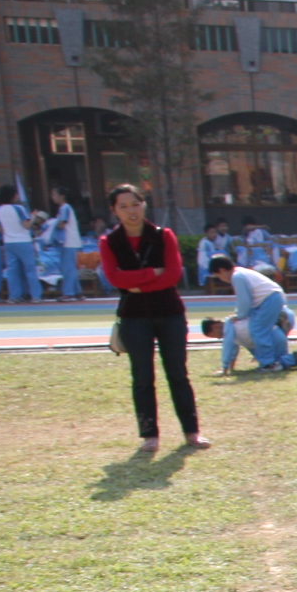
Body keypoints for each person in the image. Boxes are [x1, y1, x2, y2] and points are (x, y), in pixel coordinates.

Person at [99, 183, 208, 450]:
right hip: (134, 317)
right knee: (142, 376)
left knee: (178, 373)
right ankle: (150, 435)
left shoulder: (164, 235)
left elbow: (172, 274)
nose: (131, 211)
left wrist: (136, 283)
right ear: (114, 210)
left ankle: (192, 432)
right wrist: (151, 273)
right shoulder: (109, 242)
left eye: (135, 204)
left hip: (169, 313)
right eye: (123, 206)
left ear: (144, 205)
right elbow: (114, 278)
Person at [205, 253, 292, 370]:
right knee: (261, 329)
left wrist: (239, 315)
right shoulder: (241, 272)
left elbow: (245, 301)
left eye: (218, 276)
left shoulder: (237, 277)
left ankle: (269, 363)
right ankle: (286, 359)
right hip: (272, 298)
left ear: (222, 270)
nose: (221, 279)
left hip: (269, 299)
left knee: (258, 330)